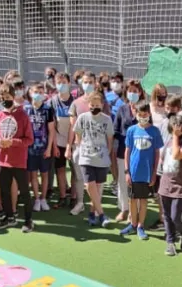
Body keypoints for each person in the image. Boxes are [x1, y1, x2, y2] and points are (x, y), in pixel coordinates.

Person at [0, 85, 34, 232]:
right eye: (2, 98)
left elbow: (29, 139)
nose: (5, 101)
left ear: (13, 97)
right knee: (5, 190)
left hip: (19, 160)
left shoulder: (23, 115)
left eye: (7, 98)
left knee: (24, 191)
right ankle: (9, 217)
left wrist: (13, 142)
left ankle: (28, 220)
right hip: (3, 160)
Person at [121, 102, 163, 240]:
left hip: (147, 173)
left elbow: (157, 154)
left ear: (149, 114)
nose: (142, 117)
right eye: (140, 114)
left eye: (145, 115)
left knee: (143, 200)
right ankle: (132, 224)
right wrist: (127, 171)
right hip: (133, 172)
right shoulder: (131, 130)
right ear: (136, 114)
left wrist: (154, 173)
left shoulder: (154, 131)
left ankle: (140, 226)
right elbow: (127, 151)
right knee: (132, 200)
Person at [72, 91, 114, 228]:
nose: (94, 107)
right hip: (86, 157)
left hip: (101, 158)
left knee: (96, 188)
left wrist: (107, 152)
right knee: (89, 185)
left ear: (102, 105)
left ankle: (92, 214)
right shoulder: (83, 117)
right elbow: (77, 132)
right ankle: (101, 214)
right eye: (92, 104)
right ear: (88, 104)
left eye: (97, 104)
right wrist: (79, 145)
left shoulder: (107, 119)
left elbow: (109, 139)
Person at [158, 115, 182, 256]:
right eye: (174, 126)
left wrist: (175, 136)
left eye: (179, 126)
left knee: (175, 216)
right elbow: (164, 160)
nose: (176, 129)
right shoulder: (169, 141)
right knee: (166, 216)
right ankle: (170, 242)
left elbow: (176, 155)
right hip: (165, 184)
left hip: (181, 186)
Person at [112, 81, 144, 222]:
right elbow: (116, 130)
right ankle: (124, 209)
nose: (133, 93)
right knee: (122, 182)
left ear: (140, 92)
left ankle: (134, 212)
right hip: (122, 152)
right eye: (130, 91)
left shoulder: (144, 109)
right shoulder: (122, 109)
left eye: (135, 91)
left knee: (136, 183)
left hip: (140, 153)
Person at [24, 83, 56, 213]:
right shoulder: (26, 109)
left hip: (43, 148)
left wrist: (49, 148)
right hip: (30, 149)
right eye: (36, 91)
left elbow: (51, 131)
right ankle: (36, 198)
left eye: (41, 92)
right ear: (30, 92)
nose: (38, 94)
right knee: (33, 175)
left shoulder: (48, 110)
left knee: (45, 175)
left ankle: (43, 198)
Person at [48, 72, 76, 212]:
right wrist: (54, 145)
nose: (61, 85)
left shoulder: (75, 101)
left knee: (75, 172)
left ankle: (74, 197)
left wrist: (70, 146)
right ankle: (63, 196)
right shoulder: (52, 101)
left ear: (69, 83)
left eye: (64, 82)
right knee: (60, 169)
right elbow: (51, 126)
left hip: (74, 141)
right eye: (58, 82)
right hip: (58, 141)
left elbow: (75, 125)